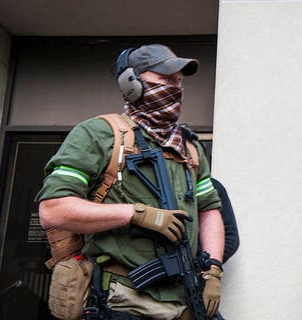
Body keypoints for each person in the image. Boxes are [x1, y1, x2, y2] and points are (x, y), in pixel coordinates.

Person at [37, 44, 225, 320]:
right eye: (165, 79)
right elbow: (53, 210)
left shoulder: (189, 147)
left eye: (178, 81)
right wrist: (135, 214)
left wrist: (214, 271)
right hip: (121, 299)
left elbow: (209, 211)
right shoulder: (99, 134)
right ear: (131, 84)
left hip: (185, 298)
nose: (175, 88)